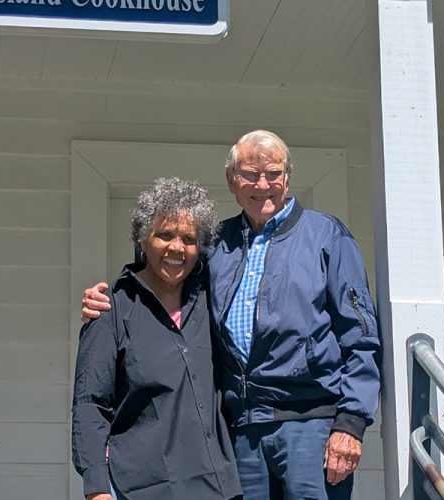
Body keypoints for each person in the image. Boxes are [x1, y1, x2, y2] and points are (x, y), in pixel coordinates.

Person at [81, 130, 381, 500]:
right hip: (239, 432)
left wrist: (350, 423)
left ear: (288, 177)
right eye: (250, 174)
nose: (262, 185)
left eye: (273, 173)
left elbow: (361, 336)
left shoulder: (326, 235)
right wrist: (110, 296)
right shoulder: (217, 243)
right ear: (231, 180)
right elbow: (166, 271)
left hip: (309, 424)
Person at [71, 177, 241, 500]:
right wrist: (97, 489)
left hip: (215, 486)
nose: (177, 247)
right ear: (142, 238)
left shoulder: (212, 299)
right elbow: (90, 406)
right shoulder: (110, 310)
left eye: (188, 239)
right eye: (165, 235)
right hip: (143, 487)